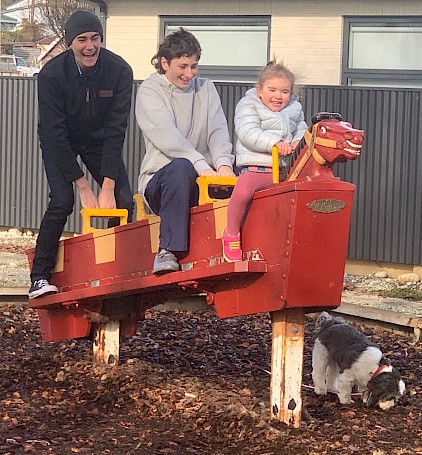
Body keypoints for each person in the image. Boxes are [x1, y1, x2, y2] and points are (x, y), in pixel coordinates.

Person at [28, 10, 134, 299]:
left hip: (99, 140)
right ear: (70, 43)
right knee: (63, 200)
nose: (90, 46)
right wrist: (84, 186)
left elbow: (116, 130)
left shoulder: (120, 71)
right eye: (82, 39)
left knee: (123, 200)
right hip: (60, 139)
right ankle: (39, 277)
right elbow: (54, 133)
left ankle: (116, 273)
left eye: (95, 38)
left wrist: (108, 186)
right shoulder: (51, 75)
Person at [136, 28, 235, 274]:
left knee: (248, 176)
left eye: (194, 66)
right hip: (161, 180)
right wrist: (202, 166)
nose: (189, 74)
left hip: (204, 176)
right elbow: (168, 137)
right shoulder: (149, 91)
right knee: (181, 168)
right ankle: (167, 250)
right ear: (165, 63)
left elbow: (218, 130)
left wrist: (224, 165)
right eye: (183, 66)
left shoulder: (206, 88)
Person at [222, 61, 307, 262]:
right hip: (255, 168)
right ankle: (231, 233)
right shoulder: (249, 105)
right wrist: (275, 143)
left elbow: (301, 128)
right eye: (272, 90)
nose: (278, 96)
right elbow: (247, 132)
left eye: (285, 92)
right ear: (259, 90)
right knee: (242, 193)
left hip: (282, 171)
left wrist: (297, 141)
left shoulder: (294, 109)